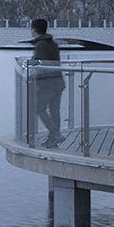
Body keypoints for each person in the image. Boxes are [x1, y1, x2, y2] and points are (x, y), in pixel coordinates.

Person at [29, 18, 64, 147]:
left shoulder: (40, 45)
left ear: (34, 30)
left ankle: (55, 134)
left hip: (48, 83)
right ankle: (54, 138)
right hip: (58, 82)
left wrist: (32, 63)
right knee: (55, 110)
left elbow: (40, 63)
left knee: (38, 107)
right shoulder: (52, 43)